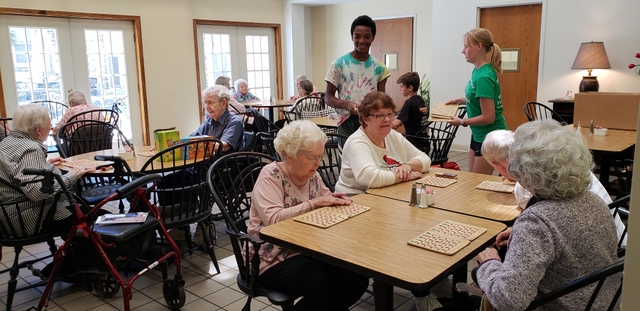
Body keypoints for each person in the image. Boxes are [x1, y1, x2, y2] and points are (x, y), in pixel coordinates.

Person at [475, 120, 620, 311]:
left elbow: (508, 301)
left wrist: (489, 263)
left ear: (525, 171)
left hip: (561, 305)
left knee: (484, 269)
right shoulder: (593, 200)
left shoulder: (537, 222)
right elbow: (567, 237)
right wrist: (522, 236)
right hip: (604, 302)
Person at [248, 120, 369, 311]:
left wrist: (337, 201)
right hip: (271, 256)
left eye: (320, 156)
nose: (317, 163)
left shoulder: (311, 174)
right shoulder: (271, 176)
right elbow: (273, 220)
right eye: (311, 157)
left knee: (356, 277)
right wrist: (314, 203)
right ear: (290, 155)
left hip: (308, 247)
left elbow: (325, 197)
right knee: (320, 286)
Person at [336, 91, 437, 310]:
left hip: (388, 198)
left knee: (425, 223)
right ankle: (421, 293)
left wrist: (408, 166)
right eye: (378, 115)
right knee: (404, 234)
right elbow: (369, 179)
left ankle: (430, 284)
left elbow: (425, 159)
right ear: (365, 118)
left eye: (390, 114)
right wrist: (403, 175)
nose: (387, 120)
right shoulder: (357, 142)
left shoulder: (392, 136)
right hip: (355, 205)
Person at [482, 128, 627, 246]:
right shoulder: (575, 174)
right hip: (613, 244)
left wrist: (489, 261)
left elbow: (542, 226)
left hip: (595, 255)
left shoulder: (535, 214)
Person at [0, 104, 95, 236]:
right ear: (39, 130)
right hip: (31, 218)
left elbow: (17, 171)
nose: (51, 127)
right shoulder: (30, 149)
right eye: (49, 123)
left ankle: (72, 252)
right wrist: (73, 175)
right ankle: (73, 255)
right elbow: (37, 193)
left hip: (7, 217)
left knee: (82, 210)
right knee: (96, 217)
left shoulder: (7, 142)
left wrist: (44, 165)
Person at [446, 28, 507, 175]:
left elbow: (488, 116)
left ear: (479, 46)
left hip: (490, 136)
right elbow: (477, 97)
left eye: (466, 46)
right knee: (471, 179)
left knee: (476, 182)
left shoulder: (483, 76)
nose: (463, 51)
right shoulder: (477, 71)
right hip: (479, 134)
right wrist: (459, 100)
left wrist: (462, 122)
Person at [325, 15, 391, 139]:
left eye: (367, 36)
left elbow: (382, 100)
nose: (361, 41)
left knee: (370, 157)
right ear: (352, 37)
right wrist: (347, 104)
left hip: (371, 122)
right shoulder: (338, 64)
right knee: (347, 158)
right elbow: (328, 97)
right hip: (346, 122)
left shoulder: (380, 68)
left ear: (373, 38)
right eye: (357, 36)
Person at [191, 85, 244, 154]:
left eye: (210, 103)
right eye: (206, 103)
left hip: (226, 163)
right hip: (210, 162)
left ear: (223, 103)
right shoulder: (209, 121)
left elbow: (222, 146)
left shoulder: (234, 121)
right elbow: (191, 138)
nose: (207, 107)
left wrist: (197, 146)